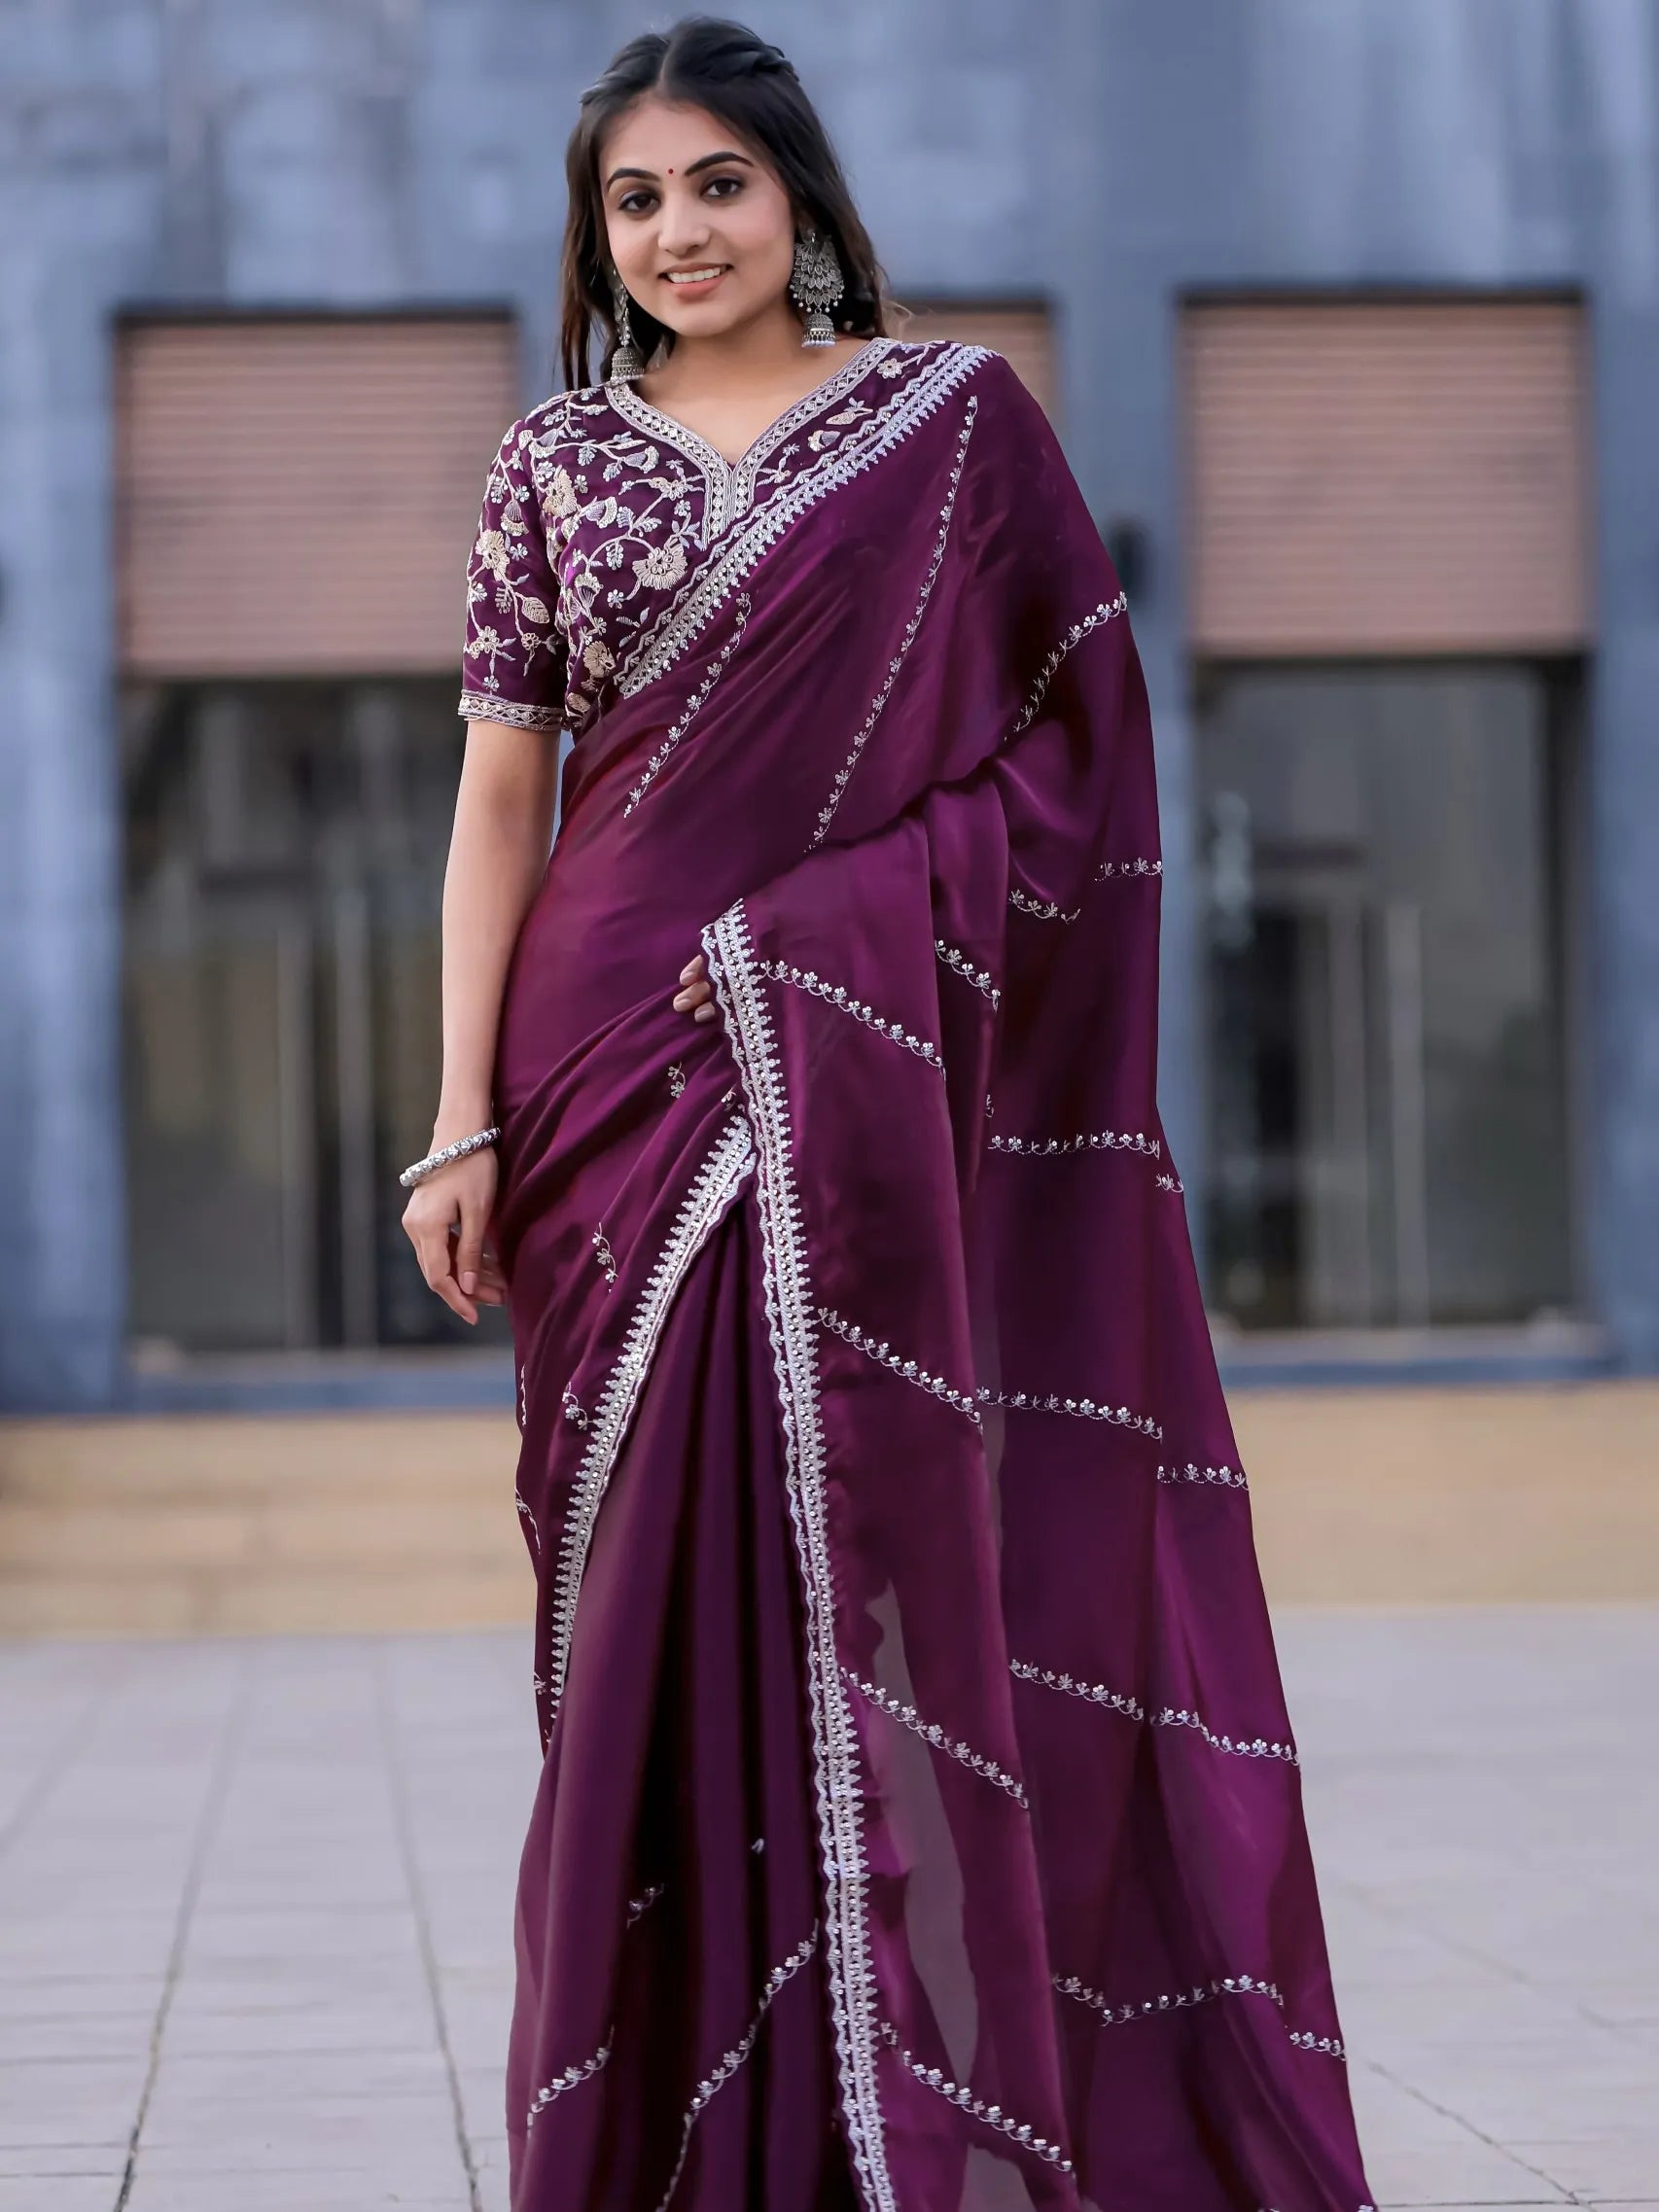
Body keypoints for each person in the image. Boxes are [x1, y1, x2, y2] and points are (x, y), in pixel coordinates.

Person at [401, 17, 1375, 2212]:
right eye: (632, 204)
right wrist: (458, 1116)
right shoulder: (553, 461)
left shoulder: (948, 432)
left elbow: (1070, 771)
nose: (676, 235)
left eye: (715, 188)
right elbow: (495, 806)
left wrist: (830, 935)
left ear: (803, 197)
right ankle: (690, 2130)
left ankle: (905, 2113)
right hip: (605, 1083)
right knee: (650, 1590)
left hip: (846, 1052)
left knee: (895, 1560)